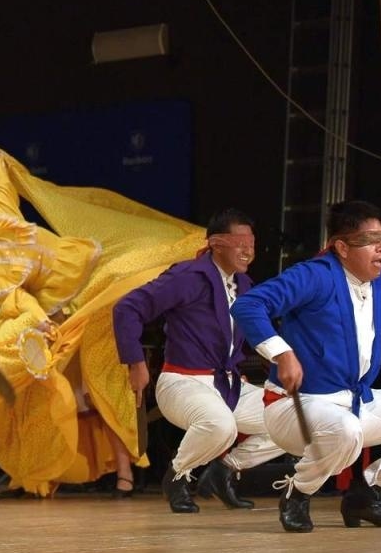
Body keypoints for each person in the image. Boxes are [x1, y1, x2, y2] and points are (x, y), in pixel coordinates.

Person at [0, 147, 207, 497]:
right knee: (80, 392)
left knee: (106, 363)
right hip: (64, 318)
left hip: (93, 284)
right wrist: (42, 322)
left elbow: (2, 191)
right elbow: (23, 304)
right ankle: (42, 476)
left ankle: (125, 474)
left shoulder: (3, 224)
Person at [232, 200, 381, 533]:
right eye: (369, 241)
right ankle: (298, 491)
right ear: (342, 247)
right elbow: (248, 305)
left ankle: (370, 491)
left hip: (356, 403)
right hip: (295, 408)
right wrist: (282, 353)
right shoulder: (313, 275)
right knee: (347, 429)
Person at [113, 209, 283, 513]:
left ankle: (225, 470)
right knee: (221, 425)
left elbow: (257, 333)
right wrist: (135, 363)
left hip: (227, 385)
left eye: (252, 243)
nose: (248, 250)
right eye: (240, 242)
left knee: (293, 419)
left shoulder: (244, 285)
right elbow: (127, 308)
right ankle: (177, 475)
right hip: (183, 381)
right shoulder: (188, 276)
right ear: (216, 243)